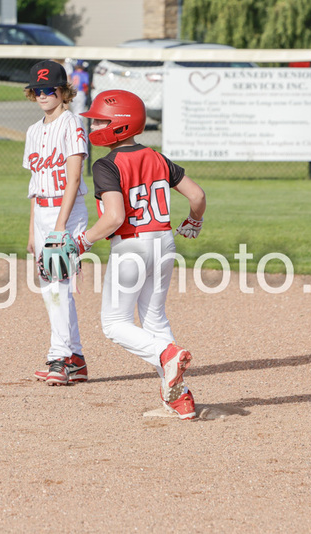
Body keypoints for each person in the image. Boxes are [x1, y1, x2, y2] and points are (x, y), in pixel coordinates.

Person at [75, 90, 206, 419]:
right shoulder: (158, 158)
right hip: (164, 242)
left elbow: (115, 217)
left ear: (119, 125)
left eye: (103, 119)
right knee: (154, 318)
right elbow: (197, 194)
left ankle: (167, 353)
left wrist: (81, 241)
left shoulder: (107, 164)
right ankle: (179, 399)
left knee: (115, 324)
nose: (97, 125)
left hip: (132, 245)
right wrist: (193, 221)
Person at [23, 59, 90, 386]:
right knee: (51, 286)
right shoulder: (33, 132)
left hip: (68, 210)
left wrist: (60, 227)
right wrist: (34, 232)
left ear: (64, 91)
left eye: (50, 89)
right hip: (43, 211)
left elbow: (74, 178)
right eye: (38, 89)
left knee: (57, 286)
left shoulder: (73, 123)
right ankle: (75, 359)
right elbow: (35, 185)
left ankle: (60, 358)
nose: (44, 95)